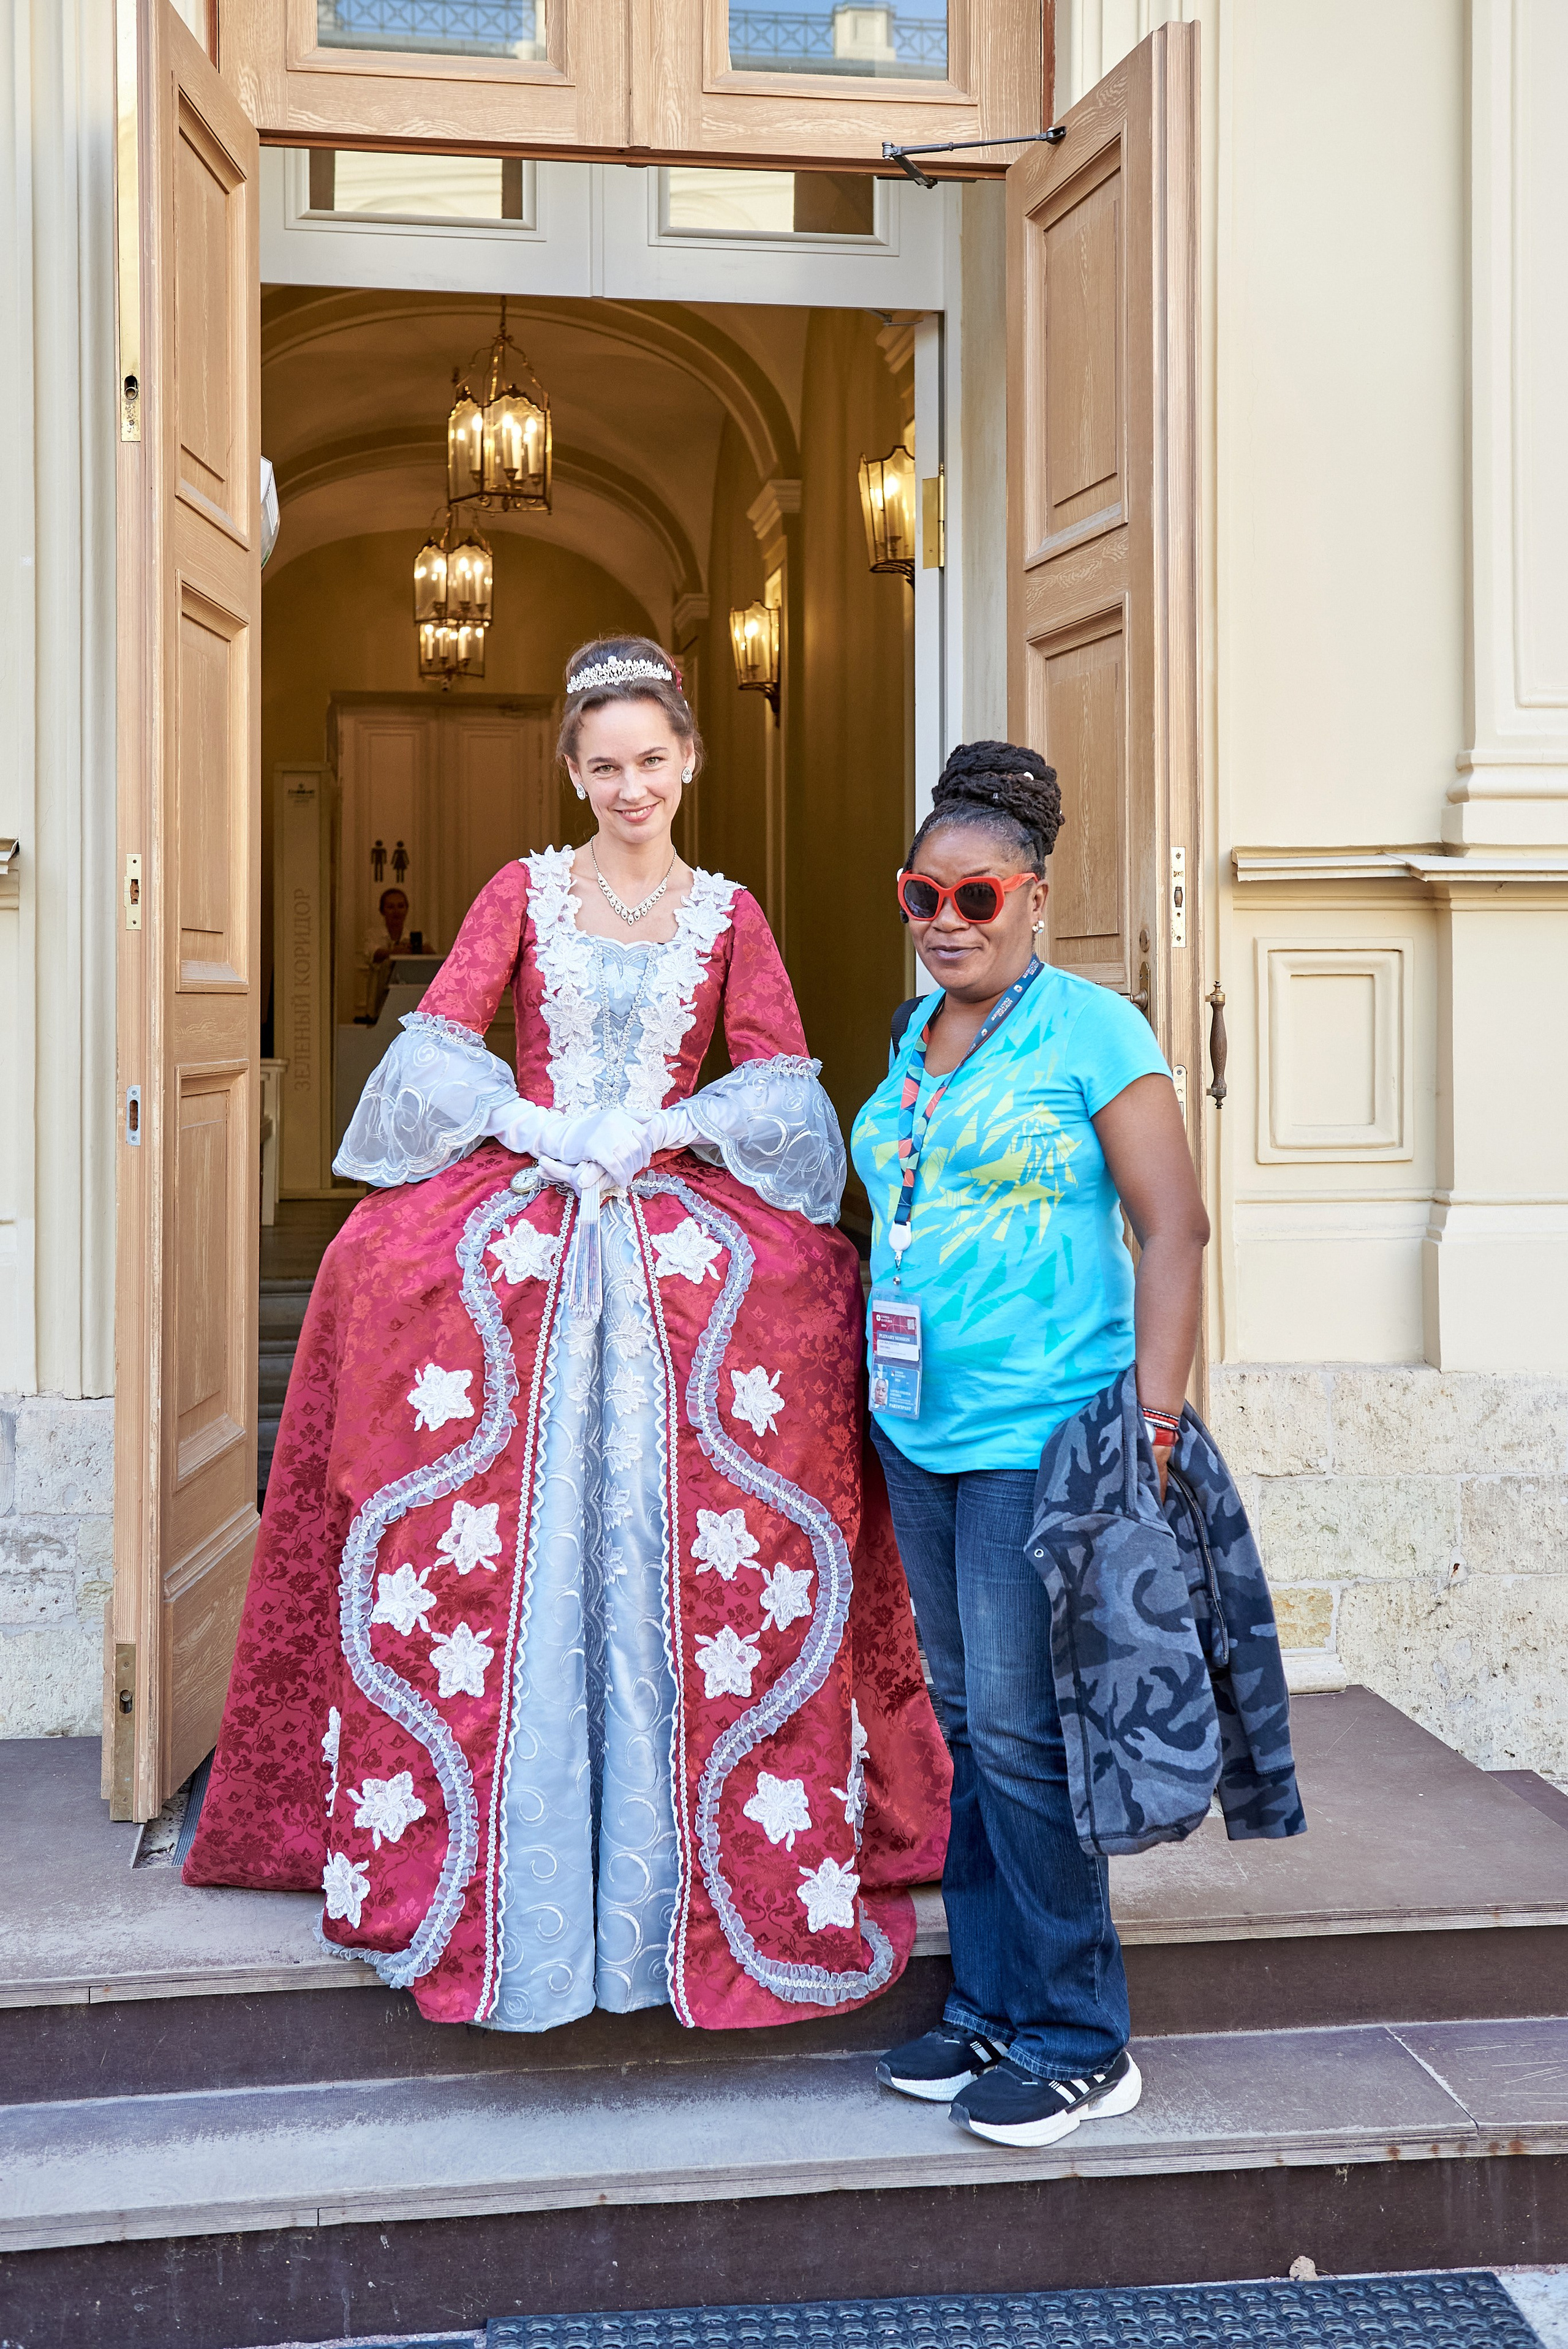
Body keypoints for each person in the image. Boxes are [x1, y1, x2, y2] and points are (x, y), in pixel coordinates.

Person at [186, 636, 949, 2035]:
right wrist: (538, 1126)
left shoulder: (727, 913)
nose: (630, 786)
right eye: (604, 765)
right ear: (572, 768)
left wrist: (665, 1125)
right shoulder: (522, 892)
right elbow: (436, 1043)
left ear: (689, 762)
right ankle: (487, 1834)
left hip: (659, 1197)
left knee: (799, 1297)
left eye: (652, 761)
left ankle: (697, 1834)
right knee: (383, 1278)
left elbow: (776, 1085)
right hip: (535, 1193)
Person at [850, 740, 1211, 2149]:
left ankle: (1077, 2032)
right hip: (915, 1431)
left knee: (1019, 1727)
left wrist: (1156, 1419)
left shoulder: (1094, 1030)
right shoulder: (909, 1036)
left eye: (976, 897)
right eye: (920, 895)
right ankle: (992, 2004)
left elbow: (1169, 1227)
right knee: (963, 1725)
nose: (946, 921)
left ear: (1035, 898)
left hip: (1039, 1433)